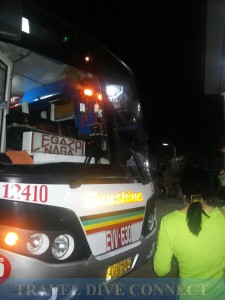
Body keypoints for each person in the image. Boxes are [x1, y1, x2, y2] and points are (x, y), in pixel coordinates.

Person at [153, 166, 225, 300]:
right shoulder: (223, 216)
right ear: (209, 191)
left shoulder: (169, 222)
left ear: (182, 191)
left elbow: (161, 270)